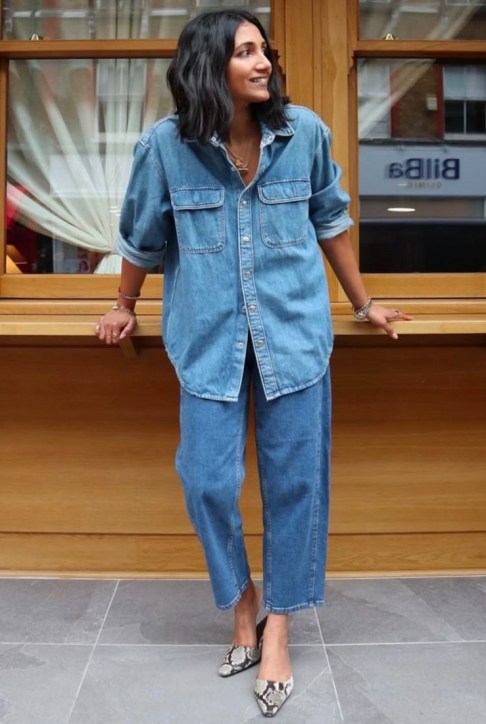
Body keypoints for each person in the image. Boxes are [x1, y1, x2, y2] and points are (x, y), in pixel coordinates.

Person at [95, 9, 412, 718]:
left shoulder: (306, 135)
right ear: (210, 65)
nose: (263, 61)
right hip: (207, 344)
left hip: (293, 340)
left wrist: (364, 303)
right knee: (206, 482)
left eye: (263, 49)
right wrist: (123, 304)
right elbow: (142, 238)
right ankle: (244, 605)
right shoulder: (164, 147)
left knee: (297, 487)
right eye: (245, 52)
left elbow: (331, 221)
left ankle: (279, 633)